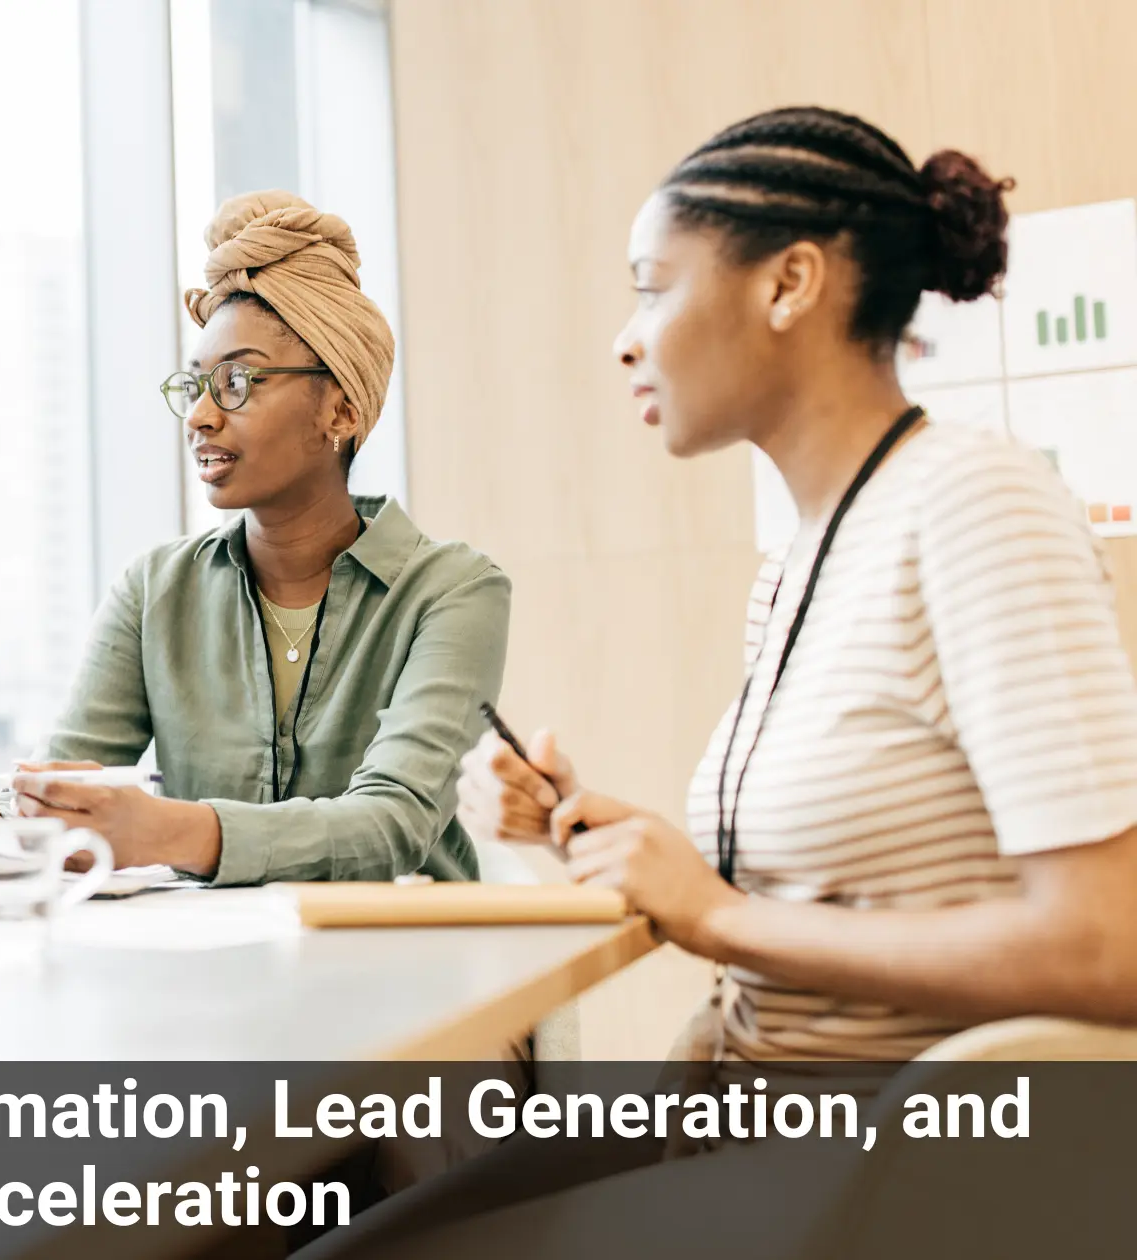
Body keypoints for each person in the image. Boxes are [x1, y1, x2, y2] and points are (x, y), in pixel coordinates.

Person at [309, 105, 1137, 1256]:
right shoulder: (801, 556)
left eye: (652, 287)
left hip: (892, 1169)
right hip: (740, 1118)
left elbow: (1107, 950)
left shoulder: (971, 504)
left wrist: (719, 915)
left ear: (787, 284)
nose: (624, 337)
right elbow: (833, 881)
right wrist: (598, 835)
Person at [0, 191, 511, 884]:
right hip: (216, 975)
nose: (198, 416)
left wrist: (171, 830)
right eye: (194, 386)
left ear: (340, 408)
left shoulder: (454, 591)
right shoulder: (156, 590)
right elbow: (69, 785)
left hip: (410, 974)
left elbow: (392, 823)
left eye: (237, 382)